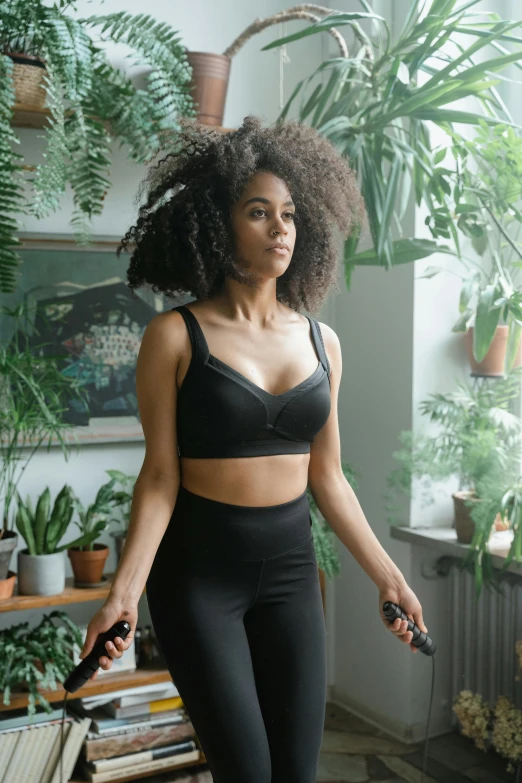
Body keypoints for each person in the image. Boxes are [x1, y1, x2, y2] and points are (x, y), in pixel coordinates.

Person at [79, 115, 428, 783]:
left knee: (296, 773)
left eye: (291, 214)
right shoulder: (175, 337)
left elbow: (329, 479)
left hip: (292, 575)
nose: (281, 228)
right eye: (260, 211)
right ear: (220, 221)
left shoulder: (325, 344)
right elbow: (158, 477)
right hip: (199, 579)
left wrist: (390, 576)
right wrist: (124, 592)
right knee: (247, 772)